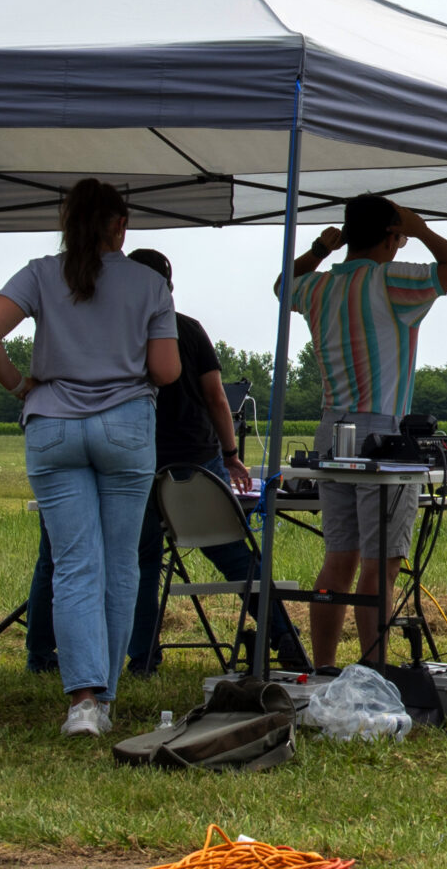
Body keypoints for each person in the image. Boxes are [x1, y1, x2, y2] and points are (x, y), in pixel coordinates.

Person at [0, 179, 177, 737]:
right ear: (119, 226)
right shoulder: (150, 283)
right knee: (119, 564)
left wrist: (20, 385)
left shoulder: (38, 272)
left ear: (66, 222)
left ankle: (81, 702)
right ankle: (103, 700)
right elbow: (167, 372)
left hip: (53, 425)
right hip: (127, 428)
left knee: (74, 564)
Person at [284, 195, 447, 670]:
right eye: (401, 237)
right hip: (382, 434)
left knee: (339, 557)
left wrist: (321, 248)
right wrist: (424, 229)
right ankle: (373, 671)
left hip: (331, 431)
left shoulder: (318, 286)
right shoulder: (390, 279)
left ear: (348, 234)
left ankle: (324, 667)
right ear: (392, 236)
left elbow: (281, 285)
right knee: (382, 562)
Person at [124, 247, 309, 675]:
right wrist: (229, 455)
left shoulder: (120, 333)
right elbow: (216, 398)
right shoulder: (187, 329)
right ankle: (282, 635)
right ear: (168, 287)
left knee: (143, 561)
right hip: (196, 460)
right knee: (233, 553)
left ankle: (141, 659)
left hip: (139, 461)